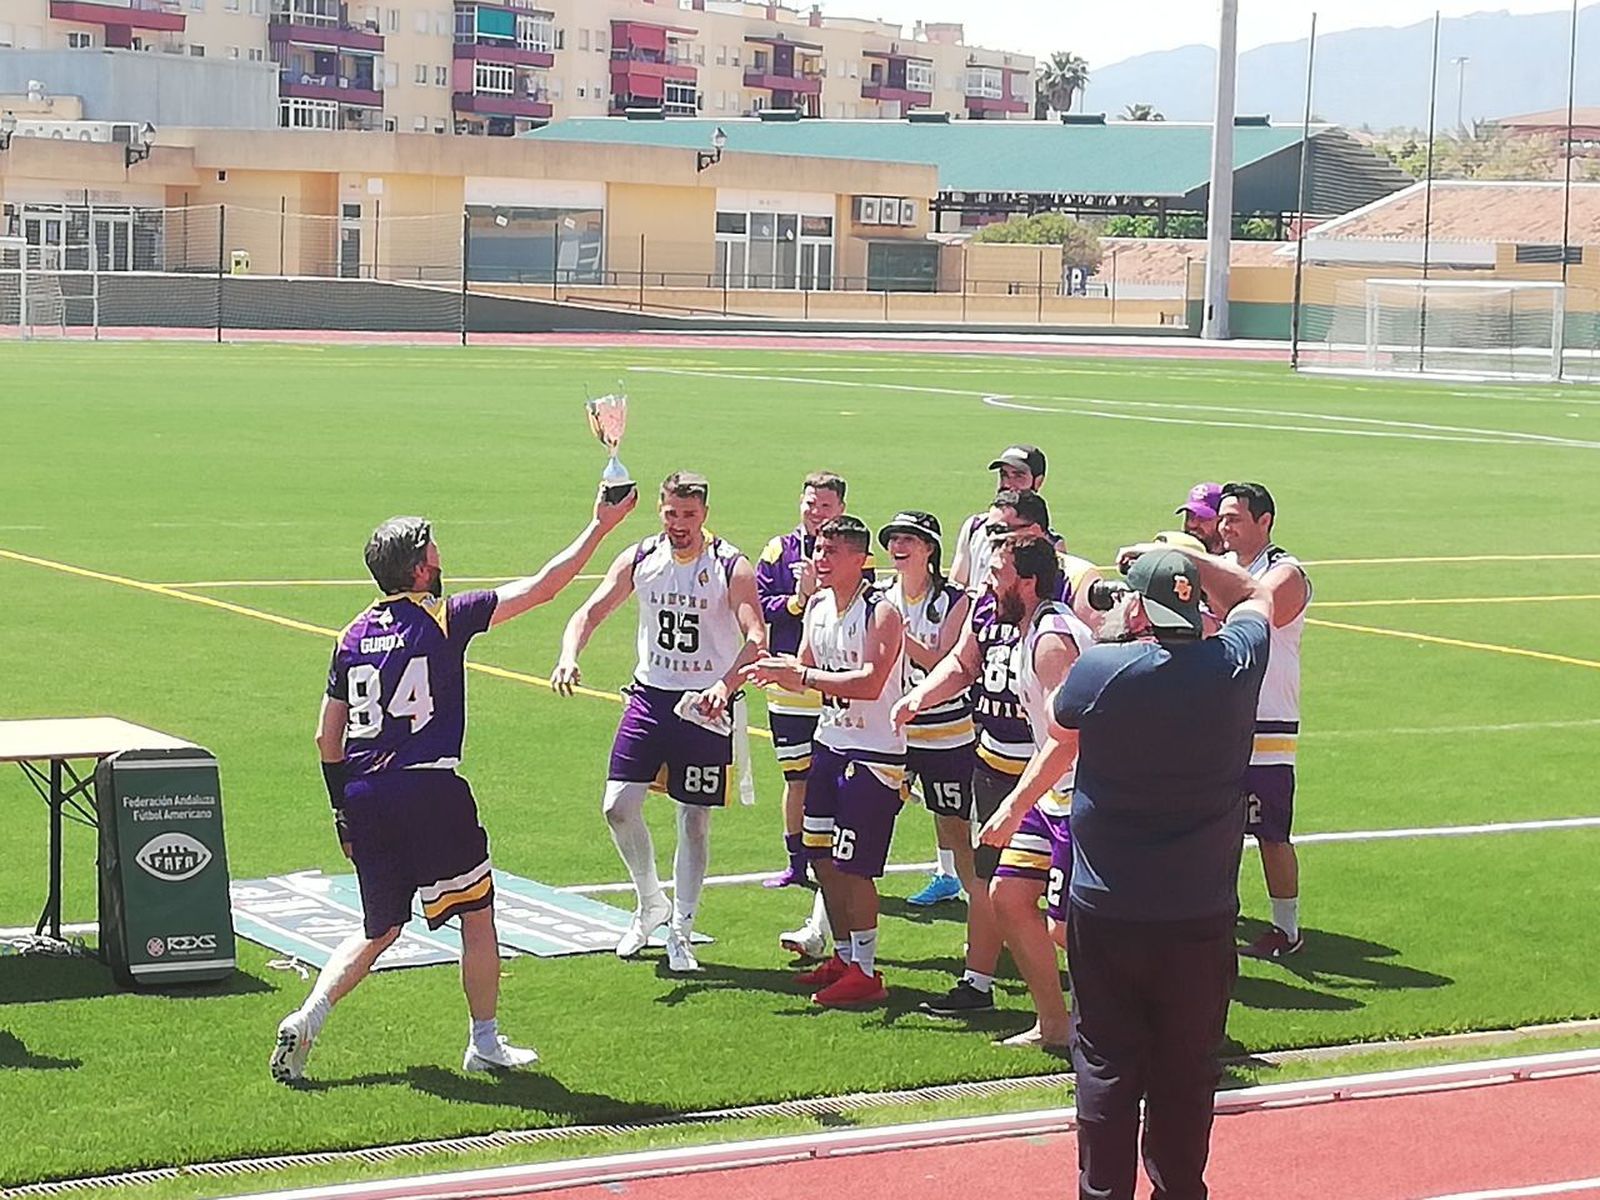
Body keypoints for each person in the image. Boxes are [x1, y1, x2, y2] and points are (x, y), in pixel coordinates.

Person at [271, 489, 637, 1084]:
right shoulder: (444, 616)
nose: (441, 556)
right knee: (476, 912)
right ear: (418, 567)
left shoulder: (350, 636)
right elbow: (545, 587)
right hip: (431, 793)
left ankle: (309, 1017)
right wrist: (599, 526)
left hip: (364, 796)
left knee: (380, 927)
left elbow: (325, 739)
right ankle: (484, 1041)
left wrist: (342, 812)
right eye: (432, 549)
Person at [1045, 544, 1273, 1200]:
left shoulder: (1101, 669)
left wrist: (1121, 618)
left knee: (1106, 1064)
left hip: (1108, 908)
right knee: (1186, 1070)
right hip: (1199, 912)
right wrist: (1186, 560)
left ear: (1138, 609)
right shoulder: (1232, 665)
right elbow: (1258, 598)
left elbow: (1064, 712)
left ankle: (1103, 1193)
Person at [551, 472, 766, 973]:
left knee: (694, 821)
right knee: (617, 806)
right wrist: (569, 654)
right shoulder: (642, 557)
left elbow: (756, 637)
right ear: (660, 510)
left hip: (705, 707)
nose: (679, 524)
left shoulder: (730, 566)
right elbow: (590, 611)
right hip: (649, 698)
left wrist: (724, 686)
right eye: (672, 513)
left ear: (704, 515)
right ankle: (651, 902)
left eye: (689, 515)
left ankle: (682, 930)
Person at [745, 515, 909, 1009]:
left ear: (861, 561)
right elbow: (801, 669)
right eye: (819, 548)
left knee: (856, 867)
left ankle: (867, 969)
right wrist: (759, 676)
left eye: (833, 551)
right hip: (829, 745)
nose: (821, 557)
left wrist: (803, 676)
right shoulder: (816, 605)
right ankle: (842, 955)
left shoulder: (881, 613)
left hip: (874, 753)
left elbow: (868, 683)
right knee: (820, 855)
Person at [968, 535, 1092, 1051]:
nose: (989, 585)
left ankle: (1108, 1024)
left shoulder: (1051, 641)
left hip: (1081, 794)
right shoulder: (1026, 631)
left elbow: (1068, 741)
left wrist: (1013, 805)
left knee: (1070, 930)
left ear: (1028, 582)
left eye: (998, 575)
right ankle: (1055, 1024)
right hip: (1052, 795)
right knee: (1010, 896)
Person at [1218, 481, 1312, 960]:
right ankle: (1217, 913)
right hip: (1221, 721)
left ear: (1264, 521)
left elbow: (1253, 610)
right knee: (1217, 827)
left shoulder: (1285, 571)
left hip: (1268, 722)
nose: (1224, 526)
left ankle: (1286, 928)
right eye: (1222, 517)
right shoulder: (1227, 569)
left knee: (1270, 831)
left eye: (1234, 517)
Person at [880, 511, 977, 919]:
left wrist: (900, 635)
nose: (898, 547)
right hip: (894, 731)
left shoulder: (955, 600)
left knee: (955, 824)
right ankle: (821, 930)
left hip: (945, 732)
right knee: (864, 821)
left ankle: (986, 914)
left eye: (909, 539)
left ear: (929, 549)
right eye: (894, 539)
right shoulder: (881, 595)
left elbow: (947, 662)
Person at [754, 472, 848, 891]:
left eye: (825, 506)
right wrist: (798, 599)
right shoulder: (777, 551)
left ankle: (838, 859)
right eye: (811, 503)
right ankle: (796, 862)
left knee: (838, 776)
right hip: (789, 683)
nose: (816, 512)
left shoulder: (852, 551)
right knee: (796, 777)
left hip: (835, 683)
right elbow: (757, 606)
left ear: (840, 509)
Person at [1175, 482, 1225, 554]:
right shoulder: (1174, 553)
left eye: (1202, 518)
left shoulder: (1236, 560)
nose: (1192, 524)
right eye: (1190, 516)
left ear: (1222, 519)